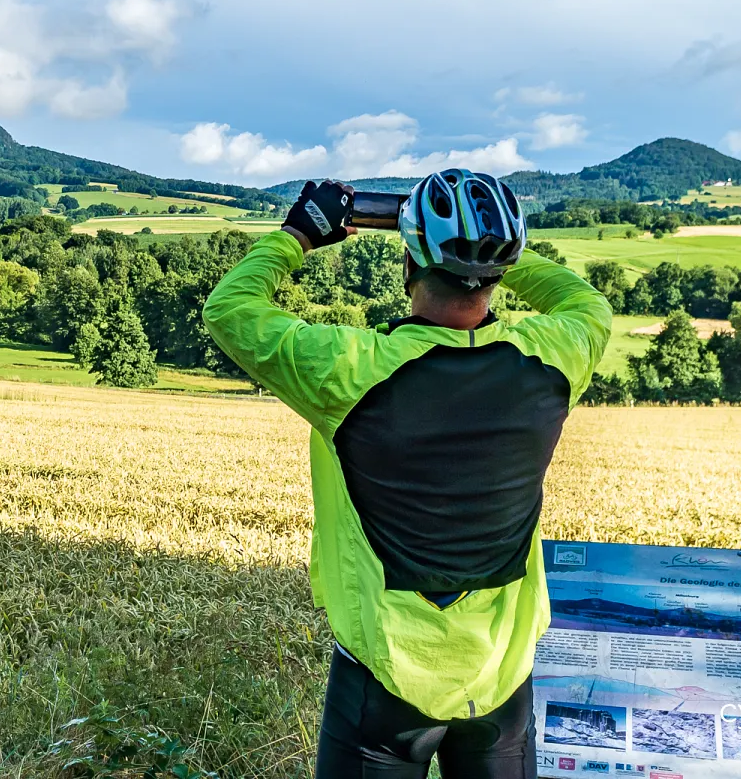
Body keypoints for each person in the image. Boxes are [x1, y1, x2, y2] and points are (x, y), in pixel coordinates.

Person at [203, 170, 612, 779]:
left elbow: (230, 308)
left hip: (384, 672)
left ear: (409, 265)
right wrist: (497, 251)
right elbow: (586, 303)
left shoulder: (349, 370)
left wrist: (297, 236)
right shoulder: (552, 360)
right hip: (502, 674)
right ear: (503, 270)